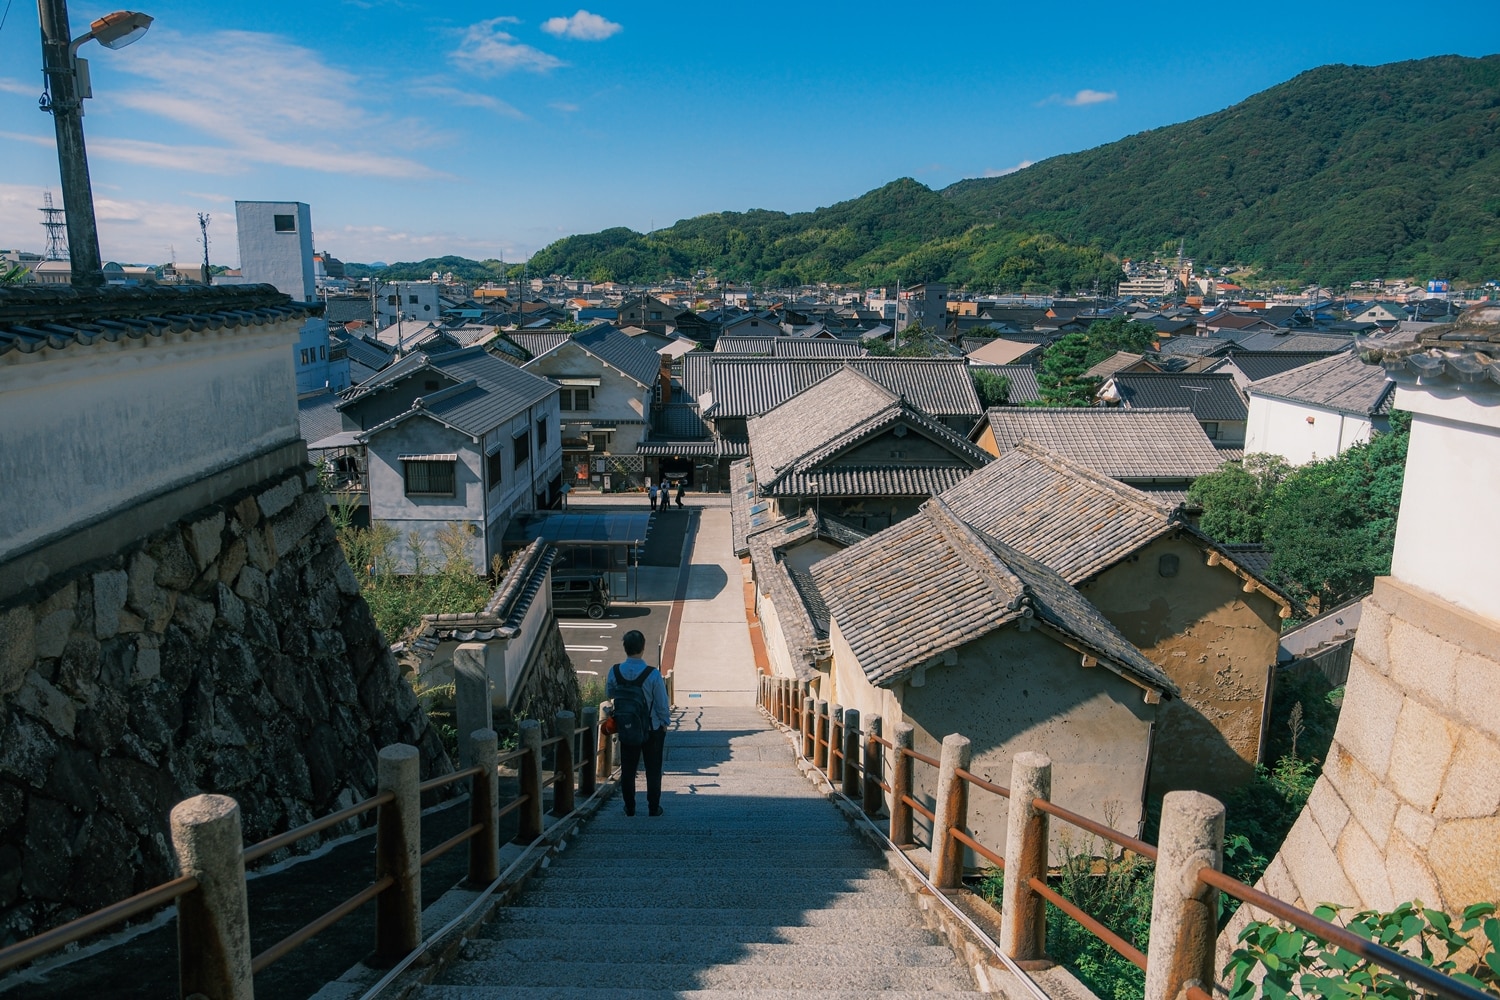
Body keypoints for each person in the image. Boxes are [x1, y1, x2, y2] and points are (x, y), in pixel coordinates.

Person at [606, 629, 670, 817]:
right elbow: (661, 703)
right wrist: (664, 723)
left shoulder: (615, 671)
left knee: (628, 769)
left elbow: (610, 693)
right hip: (652, 728)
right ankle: (653, 807)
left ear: (625, 648)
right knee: (653, 769)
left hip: (627, 727)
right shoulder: (652, 674)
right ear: (643, 647)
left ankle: (630, 807)